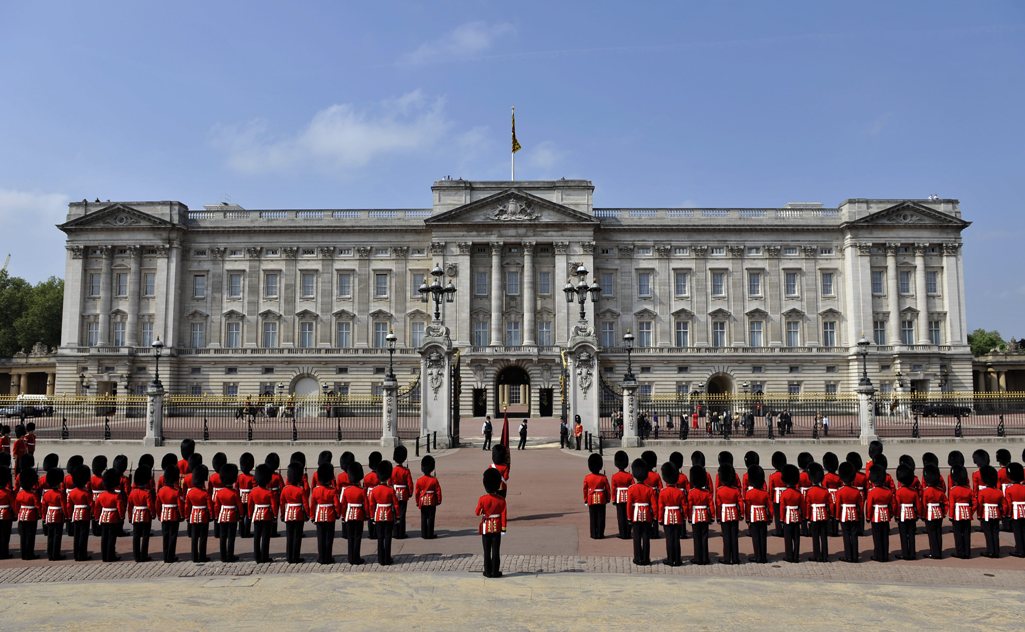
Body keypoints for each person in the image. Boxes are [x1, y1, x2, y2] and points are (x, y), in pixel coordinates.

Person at [477, 468, 507, 578]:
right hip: (497, 527)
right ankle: (495, 571)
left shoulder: (482, 499)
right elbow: (503, 515)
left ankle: (487, 571)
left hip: (486, 527)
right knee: (496, 551)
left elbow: (477, 512)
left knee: (486, 551)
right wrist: (503, 528)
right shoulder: (501, 500)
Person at [626, 459, 657, 566]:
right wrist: (654, 516)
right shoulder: (649, 489)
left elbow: (629, 505)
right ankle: (646, 558)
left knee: (636, 537)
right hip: (647, 515)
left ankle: (637, 558)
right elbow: (654, 505)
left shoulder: (631, 489)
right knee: (646, 538)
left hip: (635, 515)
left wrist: (629, 517)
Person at [368, 460, 398, 566]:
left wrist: (372, 517)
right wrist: (397, 516)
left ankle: (380, 559)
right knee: (388, 537)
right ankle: (387, 558)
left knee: (380, 538)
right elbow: (396, 505)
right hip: (389, 515)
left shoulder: (374, 490)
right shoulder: (390, 490)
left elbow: (372, 505)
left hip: (378, 515)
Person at [310, 462, 340, 564]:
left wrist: (312, 516)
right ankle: (328, 557)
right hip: (330, 515)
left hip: (319, 516)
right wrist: (338, 514)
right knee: (329, 538)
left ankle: (321, 557)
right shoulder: (332, 491)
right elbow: (336, 505)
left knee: (320, 538)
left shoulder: (315, 490)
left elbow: (313, 505)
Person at [280, 462, 309, 564]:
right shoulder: (300, 490)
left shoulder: (285, 489)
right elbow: (305, 504)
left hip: (288, 514)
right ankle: (295, 557)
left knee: (290, 536)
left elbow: (282, 503)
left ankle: (289, 556)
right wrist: (307, 514)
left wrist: (282, 514)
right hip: (298, 515)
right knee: (297, 537)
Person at [249, 464, 278, 564]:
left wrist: (249, 514)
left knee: (256, 537)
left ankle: (257, 556)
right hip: (267, 516)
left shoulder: (253, 491)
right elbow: (274, 506)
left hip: (256, 515)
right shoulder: (269, 493)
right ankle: (264, 557)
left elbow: (250, 505)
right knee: (265, 537)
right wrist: (275, 515)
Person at [94, 469, 125, 562]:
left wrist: (96, 517)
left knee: (104, 538)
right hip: (113, 518)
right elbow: (120, 508)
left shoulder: (101, 495)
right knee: (111, 538)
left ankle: (104, 556)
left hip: (103, 518)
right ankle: (110, 556)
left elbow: (97, 508)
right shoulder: (116, 496)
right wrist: (122, 516)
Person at [865, 465, 894, 562]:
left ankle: (878, 555)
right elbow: (892, 504)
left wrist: (868, 517)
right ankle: (885, 555)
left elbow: (869, 506)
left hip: (876, 516)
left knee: (877, 537)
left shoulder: (872, 492)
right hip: (885, 516)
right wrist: (891, 514)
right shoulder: (888, 491)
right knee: (885, 536)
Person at [341, 462, 368, 564]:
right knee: (357, 537)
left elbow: (343, 505)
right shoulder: (362, 491)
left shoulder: (347, 490)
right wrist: (367, 515)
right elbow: (366, 505)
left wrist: (343, 516)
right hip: (359, 515)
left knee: (350, 537)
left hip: (348, 515)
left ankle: (350, 557)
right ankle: (356, 557)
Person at [658, 462, 685, 567]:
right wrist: (684, 516)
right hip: (677, 516)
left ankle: (670, 559)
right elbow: (684, 506)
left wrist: (660, 519)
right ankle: (677, 559)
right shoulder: (679, 492)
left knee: (669, 539)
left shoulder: (663, 492)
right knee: (676, 538)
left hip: (667, 517)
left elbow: (661, 508)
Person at [977, 465, 1006, 558]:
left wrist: (979, 515)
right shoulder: (999, 492)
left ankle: (990, 551)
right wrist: (1002, 514)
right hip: (996, 514)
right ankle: (996, 551)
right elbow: (1004, 504)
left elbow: (980, 505)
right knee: (995, 532)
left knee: (988, 533)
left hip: (986, 514)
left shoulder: (982, 492)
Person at [744, 465, 771, 564]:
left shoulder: (749, 493)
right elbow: (770, 507)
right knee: (763, 537)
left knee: (755, 538)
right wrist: (770, 518)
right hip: (763, 516)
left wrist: (747, 519)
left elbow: (747, 507)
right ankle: (763, 557)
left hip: (753, 517)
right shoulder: (765, 493)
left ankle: (757, 556)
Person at [127, 466, 155, 562]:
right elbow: (150, 505)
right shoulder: (147, 493)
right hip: (145, 516)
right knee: (145, 536)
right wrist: (153, 514)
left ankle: (136, 556)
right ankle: (144, 555)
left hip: (135, 516)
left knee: (136, 536)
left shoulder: (132, 493)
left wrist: (130, 517)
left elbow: (130, 507)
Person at [214, 463, 241, 563]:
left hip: (222, 516)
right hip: (232, 516)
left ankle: (223, 556)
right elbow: (239, 505)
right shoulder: (234, 493)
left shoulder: (220, 492)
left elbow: (217, 506)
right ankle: (230, 555)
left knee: (223, 537)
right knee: (231, 537)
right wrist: (241, 515)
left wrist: (217, 515)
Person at [185, 464, 212, 563]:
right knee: (203, 538)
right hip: (204, 516)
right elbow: (209, 506)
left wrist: (187, 516)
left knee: (194, 538)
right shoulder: (205, 493)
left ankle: (194, 557)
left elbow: (187, 506)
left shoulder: (190, 492)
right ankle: (202, 556)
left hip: (193, 516)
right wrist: (211, 515)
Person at [716, 464, 742, 565]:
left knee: (726, 537)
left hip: (724, 514)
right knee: (734, 537)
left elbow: (718, 505)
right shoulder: (736, 490)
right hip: (734, 514)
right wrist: (741, 514)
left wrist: (718, 517)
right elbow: (740, 503)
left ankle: (727, 558)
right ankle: (735, 558)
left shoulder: (720, 491)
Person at [805, 463, 831, 563]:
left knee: (815, 537)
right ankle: (825, 555)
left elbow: (808, 505)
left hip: (814, 516)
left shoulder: (810, 491)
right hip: (824, 515)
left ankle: (817, 555)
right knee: (824, 536)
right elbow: (829, 504)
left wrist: (807, 517)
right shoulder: (825, 491)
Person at [688, 464, 714, 565]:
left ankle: (697, 558)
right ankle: (705, 558)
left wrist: (689, 518)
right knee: (704, 537)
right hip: (705, 516)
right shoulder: (706, 492)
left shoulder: (691, 492)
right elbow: (711, 505)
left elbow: (690, 506)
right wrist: (712, 516)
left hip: (695, 516)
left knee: (696, 538)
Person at [948, 465, 975, 559]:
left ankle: (960, 552)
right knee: (967, 533)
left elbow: (952, 505)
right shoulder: (969, 490)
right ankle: (967, 552)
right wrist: (971, 511)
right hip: (967, 513)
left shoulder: (953, 490)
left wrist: (950, 516)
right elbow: (975, 503)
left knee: (958, 533)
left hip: (957, 514)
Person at [894, 464, 920, 560]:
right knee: (911, 535)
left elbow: (897, 505)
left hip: (902, 514)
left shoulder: (899, 492)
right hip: (912, 514)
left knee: (904, 535)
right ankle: (912, 553)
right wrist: (918, 514)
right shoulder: (914, 492)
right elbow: (918, 505)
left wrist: (896, 516)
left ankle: (905, 553)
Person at [922, 464, 947, 559]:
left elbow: (924, 505)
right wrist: (943, 513)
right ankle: (939, 552)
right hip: (939, 513)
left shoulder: (926, 491)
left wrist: (923, 515)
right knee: (938, 533)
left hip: (930, 514)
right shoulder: (940, 491)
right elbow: (946, 503)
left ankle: (934, 552)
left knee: (932, 535)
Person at [40, 468, 66, 561]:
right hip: (58, 516)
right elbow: (63, 506)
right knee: (57, 536)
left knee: (50, 536)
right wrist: (66, 516)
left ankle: (50, 554)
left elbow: (44, 507)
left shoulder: (46, 494)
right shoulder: (60, 493)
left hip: (49, 516)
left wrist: (43, 517)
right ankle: (56, 554)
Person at [14, 468, 41, 560]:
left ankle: (23, 554)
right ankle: (29, 554)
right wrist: (40, 514)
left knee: (23, 536)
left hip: (22, 516)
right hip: (31, 516)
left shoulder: (20, 494)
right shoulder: (33, 495)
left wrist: (17, 514)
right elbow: (38, 506)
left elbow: (17, 506)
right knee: (30, 536)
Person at [582, 453, 610, 539]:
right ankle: (600, 534)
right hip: (601, 498)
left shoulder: (587, 477)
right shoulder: (603, 477)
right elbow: (608, 489)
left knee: (593, 517)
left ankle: (594, 534)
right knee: (601, 517)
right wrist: (608, 498)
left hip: (591, 498)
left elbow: (585, 489)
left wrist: (585, 499)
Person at [779, 464, 804, 563]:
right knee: (796, 538)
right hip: (797, 517)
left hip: (787, 518)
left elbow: (782, 508)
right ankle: (796, 555)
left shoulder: (784, 494)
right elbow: (802, 507)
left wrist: (781, 519)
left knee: (788, 538)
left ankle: (789, 556)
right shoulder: (799, 494)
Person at [414, 455, 442, 539]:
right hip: (432, 500)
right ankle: (430, 534)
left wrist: (417, 501)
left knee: (423, 518)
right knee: (431, 518)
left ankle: (424, 534)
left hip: (422, 501)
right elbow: (438, 491)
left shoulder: (419, 480)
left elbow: (417, 493)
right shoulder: (434, 480)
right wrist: (439, 500)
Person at [610, 451, 633, 540]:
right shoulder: (629, 476)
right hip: (628, 497)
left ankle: (622, 533)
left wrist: (614, 499)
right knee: (628, 514)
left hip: (619, 497)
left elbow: (613, 489)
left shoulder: (615, 476)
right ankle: (628, 533)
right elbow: (632, 486)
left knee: (620, 516)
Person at [391, 446, 413, 539]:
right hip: (403, 493)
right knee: (402, 513)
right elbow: (410, 483)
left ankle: (395, 532)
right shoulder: (406, 471)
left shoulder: (393, 470)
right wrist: (410, 493)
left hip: (394, 492)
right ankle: (401, 532)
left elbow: (390, 482)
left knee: (395, 512)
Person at [1004, 462, 1025, 558]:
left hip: (1015, 512)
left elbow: (1008, 503)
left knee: (1017, 532)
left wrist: (1007, 514)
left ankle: (1020, 550)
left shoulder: (1009, 489)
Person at [768, 452, 787, 537]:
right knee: (785, 513)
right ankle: (785, 529)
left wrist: (771, 498)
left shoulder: (773, 476)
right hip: (786, 495)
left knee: (777, 514)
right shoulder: (785, 474)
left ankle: (778, 530)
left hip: (777, 496)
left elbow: (771, 489)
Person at [237, 452, 255, 539]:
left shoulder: (239, 477)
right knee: (248, 515)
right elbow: (255, 489)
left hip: (240, 498)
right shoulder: (252, 477)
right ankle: (247, 532)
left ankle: (241, 531)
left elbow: (236, 488)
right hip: (249, 498)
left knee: (241, 515)